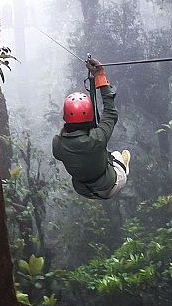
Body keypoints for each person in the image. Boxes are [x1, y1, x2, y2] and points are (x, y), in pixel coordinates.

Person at [52, 57, 131, 199]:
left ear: (66, 118)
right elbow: (110, 113)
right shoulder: (97, 138)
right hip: (110, 186)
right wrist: (100, 76)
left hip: (83, 190)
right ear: (90, 116)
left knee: (101, 157)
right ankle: (122, 165)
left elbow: (62, 150)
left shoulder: (58, 144)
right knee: (117, 155)